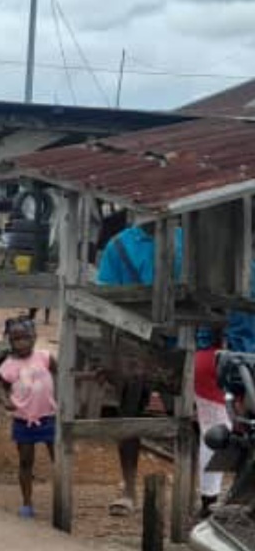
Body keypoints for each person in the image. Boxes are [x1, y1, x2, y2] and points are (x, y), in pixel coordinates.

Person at [96, 221, 183, 516]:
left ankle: (192, 492)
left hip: (177, 343)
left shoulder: (186, 242)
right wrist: (108, 357)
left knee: (185, 419)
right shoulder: (119, 245)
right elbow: (104, 306)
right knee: (129, 415)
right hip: (132, 344)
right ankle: (129, 489)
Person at [0, 316, 58, 518]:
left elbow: (61, 375)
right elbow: (5, 389)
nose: (21, 343)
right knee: (25, 462)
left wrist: (59, 396)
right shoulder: (8, 366)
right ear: (10, 341)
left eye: (25, 338)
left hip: (49, 417)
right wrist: (6, 400)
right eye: (16, 339)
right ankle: (27, 502)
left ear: (34, 337)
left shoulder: (45, 357)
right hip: (23, 420)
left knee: (59, 459)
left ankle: (62, 496)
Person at [194, 327, 228, 518]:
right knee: (217, 433)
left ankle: (208, 500)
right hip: (233, 356)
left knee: (212, 433)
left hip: (204, 356)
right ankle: (210, 501)